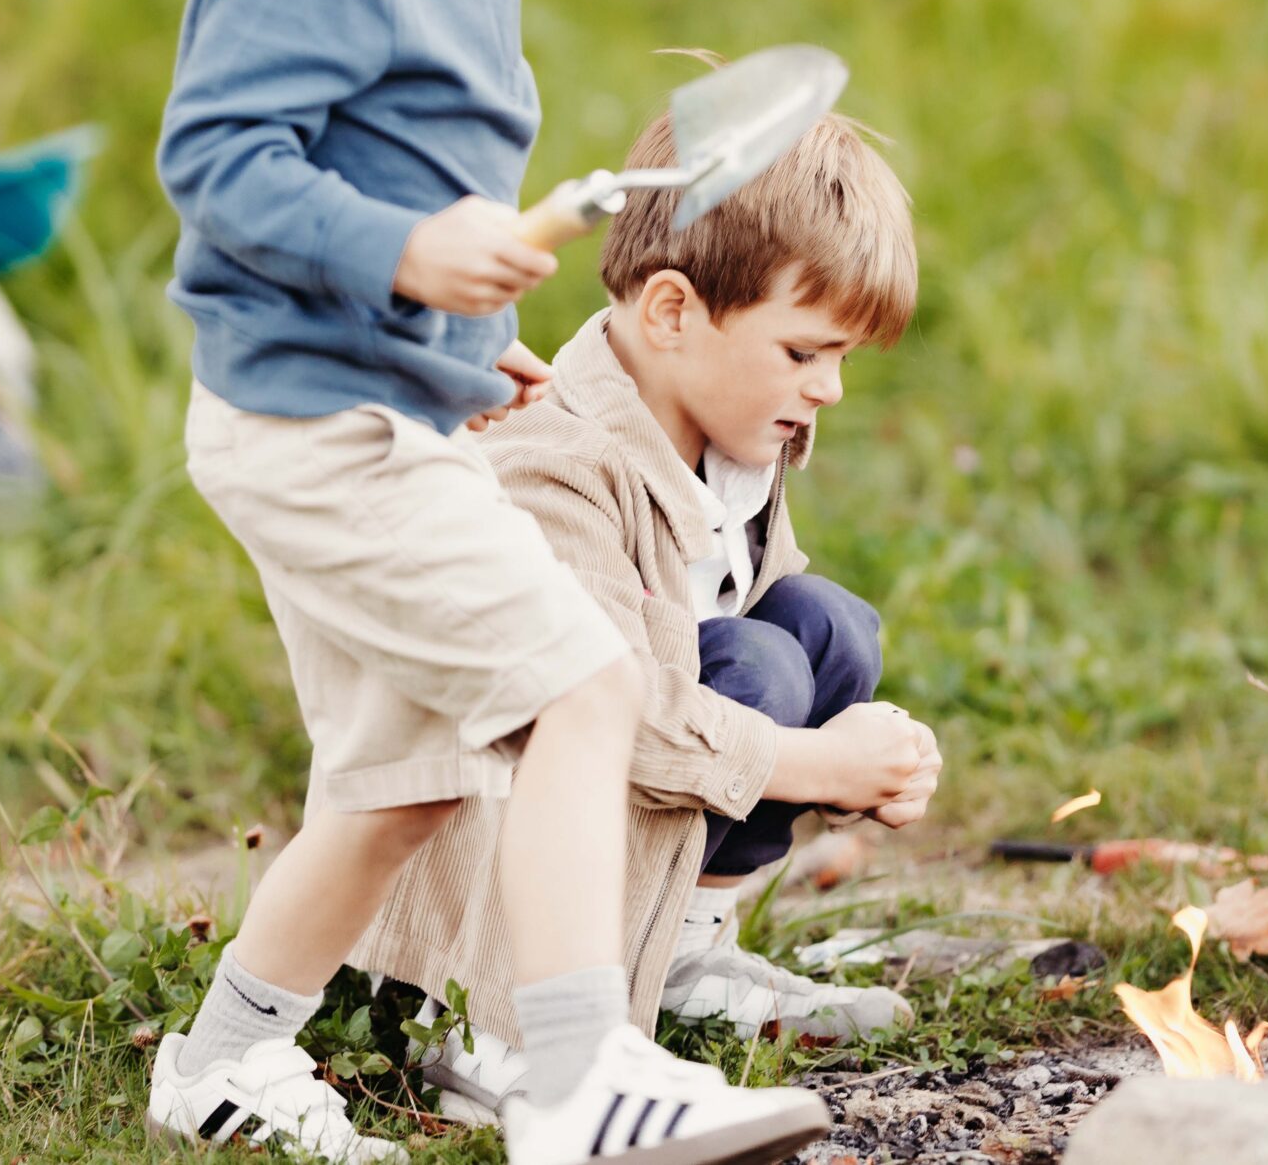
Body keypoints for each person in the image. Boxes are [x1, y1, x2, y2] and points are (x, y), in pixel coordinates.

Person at [147, 0, 829, 1162]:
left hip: (374, 405)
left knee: (405, 783)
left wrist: (461, 351)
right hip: (313, 431)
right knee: (585, 686)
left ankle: (223, 1063)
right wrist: (398, 251)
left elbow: (389, 194)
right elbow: (219, 163)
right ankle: (578, 1075)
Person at [355, 100, 939, 1119]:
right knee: (753, 676)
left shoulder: (730, 440)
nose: (831, 390)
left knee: (818, 630)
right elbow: (611, 716)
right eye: (805, 352)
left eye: (842, 358)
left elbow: (741, 650)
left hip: (638, 780)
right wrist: (818, 765)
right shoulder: (553, 463)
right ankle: (495, 1028)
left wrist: (846, 757)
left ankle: (676, 957)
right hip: (481, 873)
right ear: (671, 313)